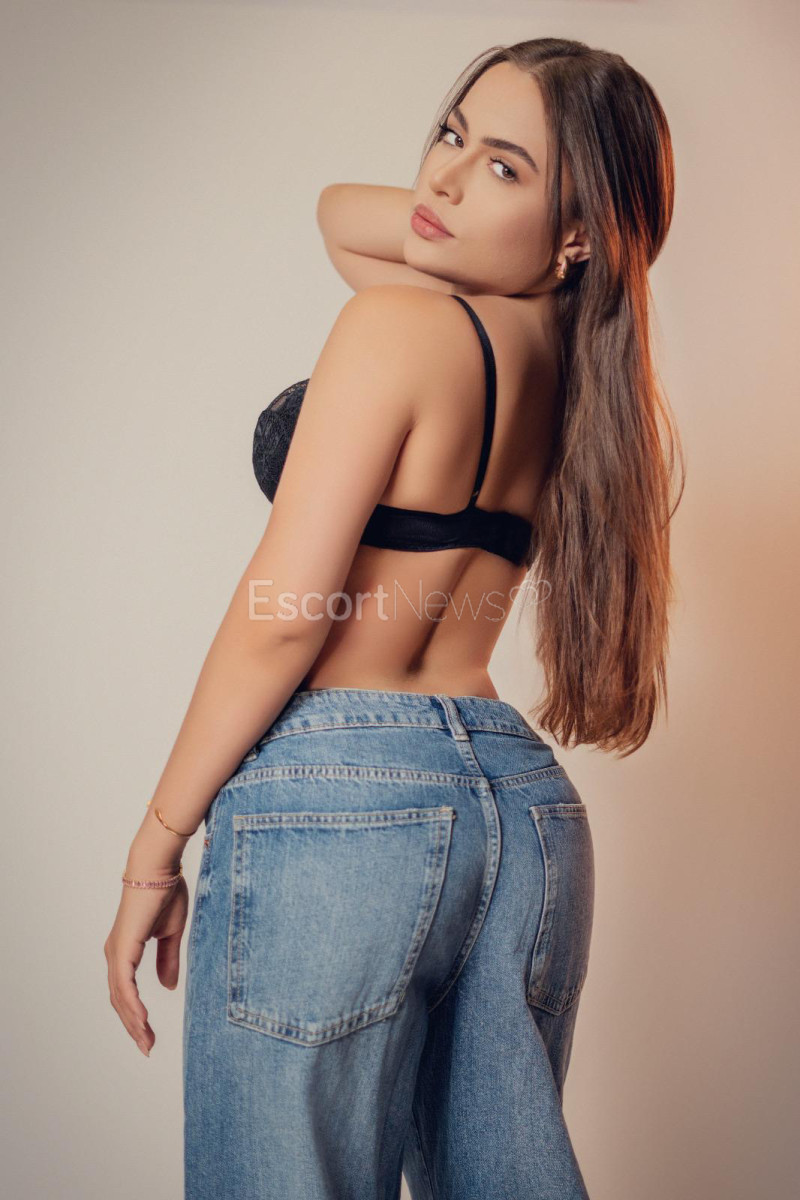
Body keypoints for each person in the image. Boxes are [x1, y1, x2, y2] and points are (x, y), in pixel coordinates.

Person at [104, 36, 682, 1200]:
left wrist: (154, 846)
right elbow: (342, 213)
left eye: (505, 166)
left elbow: (283, 619)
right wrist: (493, 198)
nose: (444, 177)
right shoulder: (576, 371)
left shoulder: (396, 329)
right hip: (521, 809)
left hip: (342, 803)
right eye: (450, 135)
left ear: (578, 233)